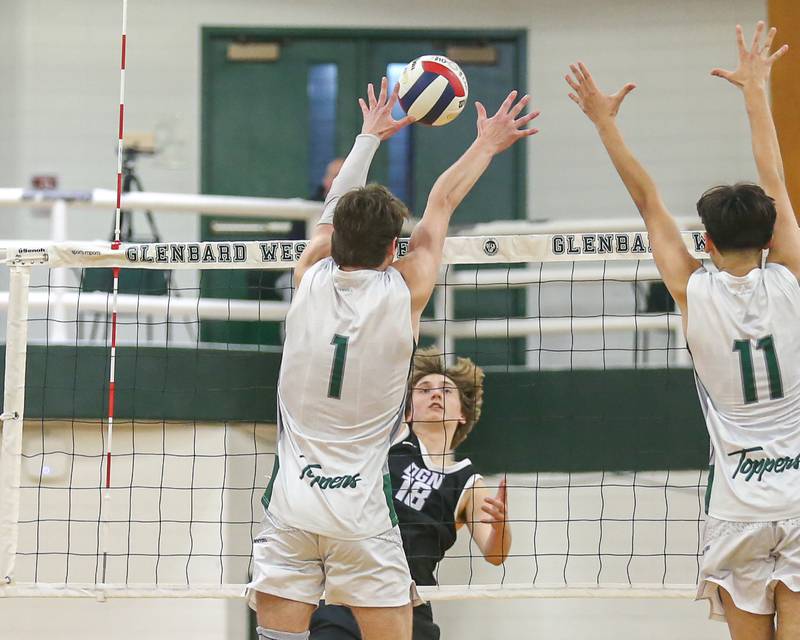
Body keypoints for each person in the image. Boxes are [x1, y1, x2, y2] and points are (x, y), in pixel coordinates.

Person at [247, 76, 538, 640]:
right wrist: (486, 143)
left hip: (292, 508)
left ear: (333, 241)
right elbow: (442, 202)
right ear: (390, 249)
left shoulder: (306, 278)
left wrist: (368, 137)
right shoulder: (405, 291)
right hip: (361, 517)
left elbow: (330, 218)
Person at [564, 21, 800, 640]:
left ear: (709, 243)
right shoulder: (793, 279)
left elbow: (648, 203)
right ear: (772, 237)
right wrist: (755, 90)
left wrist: (605, 123)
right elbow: (775, 179)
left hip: (738, 507)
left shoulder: (692, 290)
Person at [309, 348, 511, 640]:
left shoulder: (467, 481)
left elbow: (495, 553)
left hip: (410, 603)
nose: (436, 395)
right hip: (348, 592)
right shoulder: (388, 441)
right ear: (408, 410)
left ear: (463, 414)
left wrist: (501, 526)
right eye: (424, 389)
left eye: (446, 391)